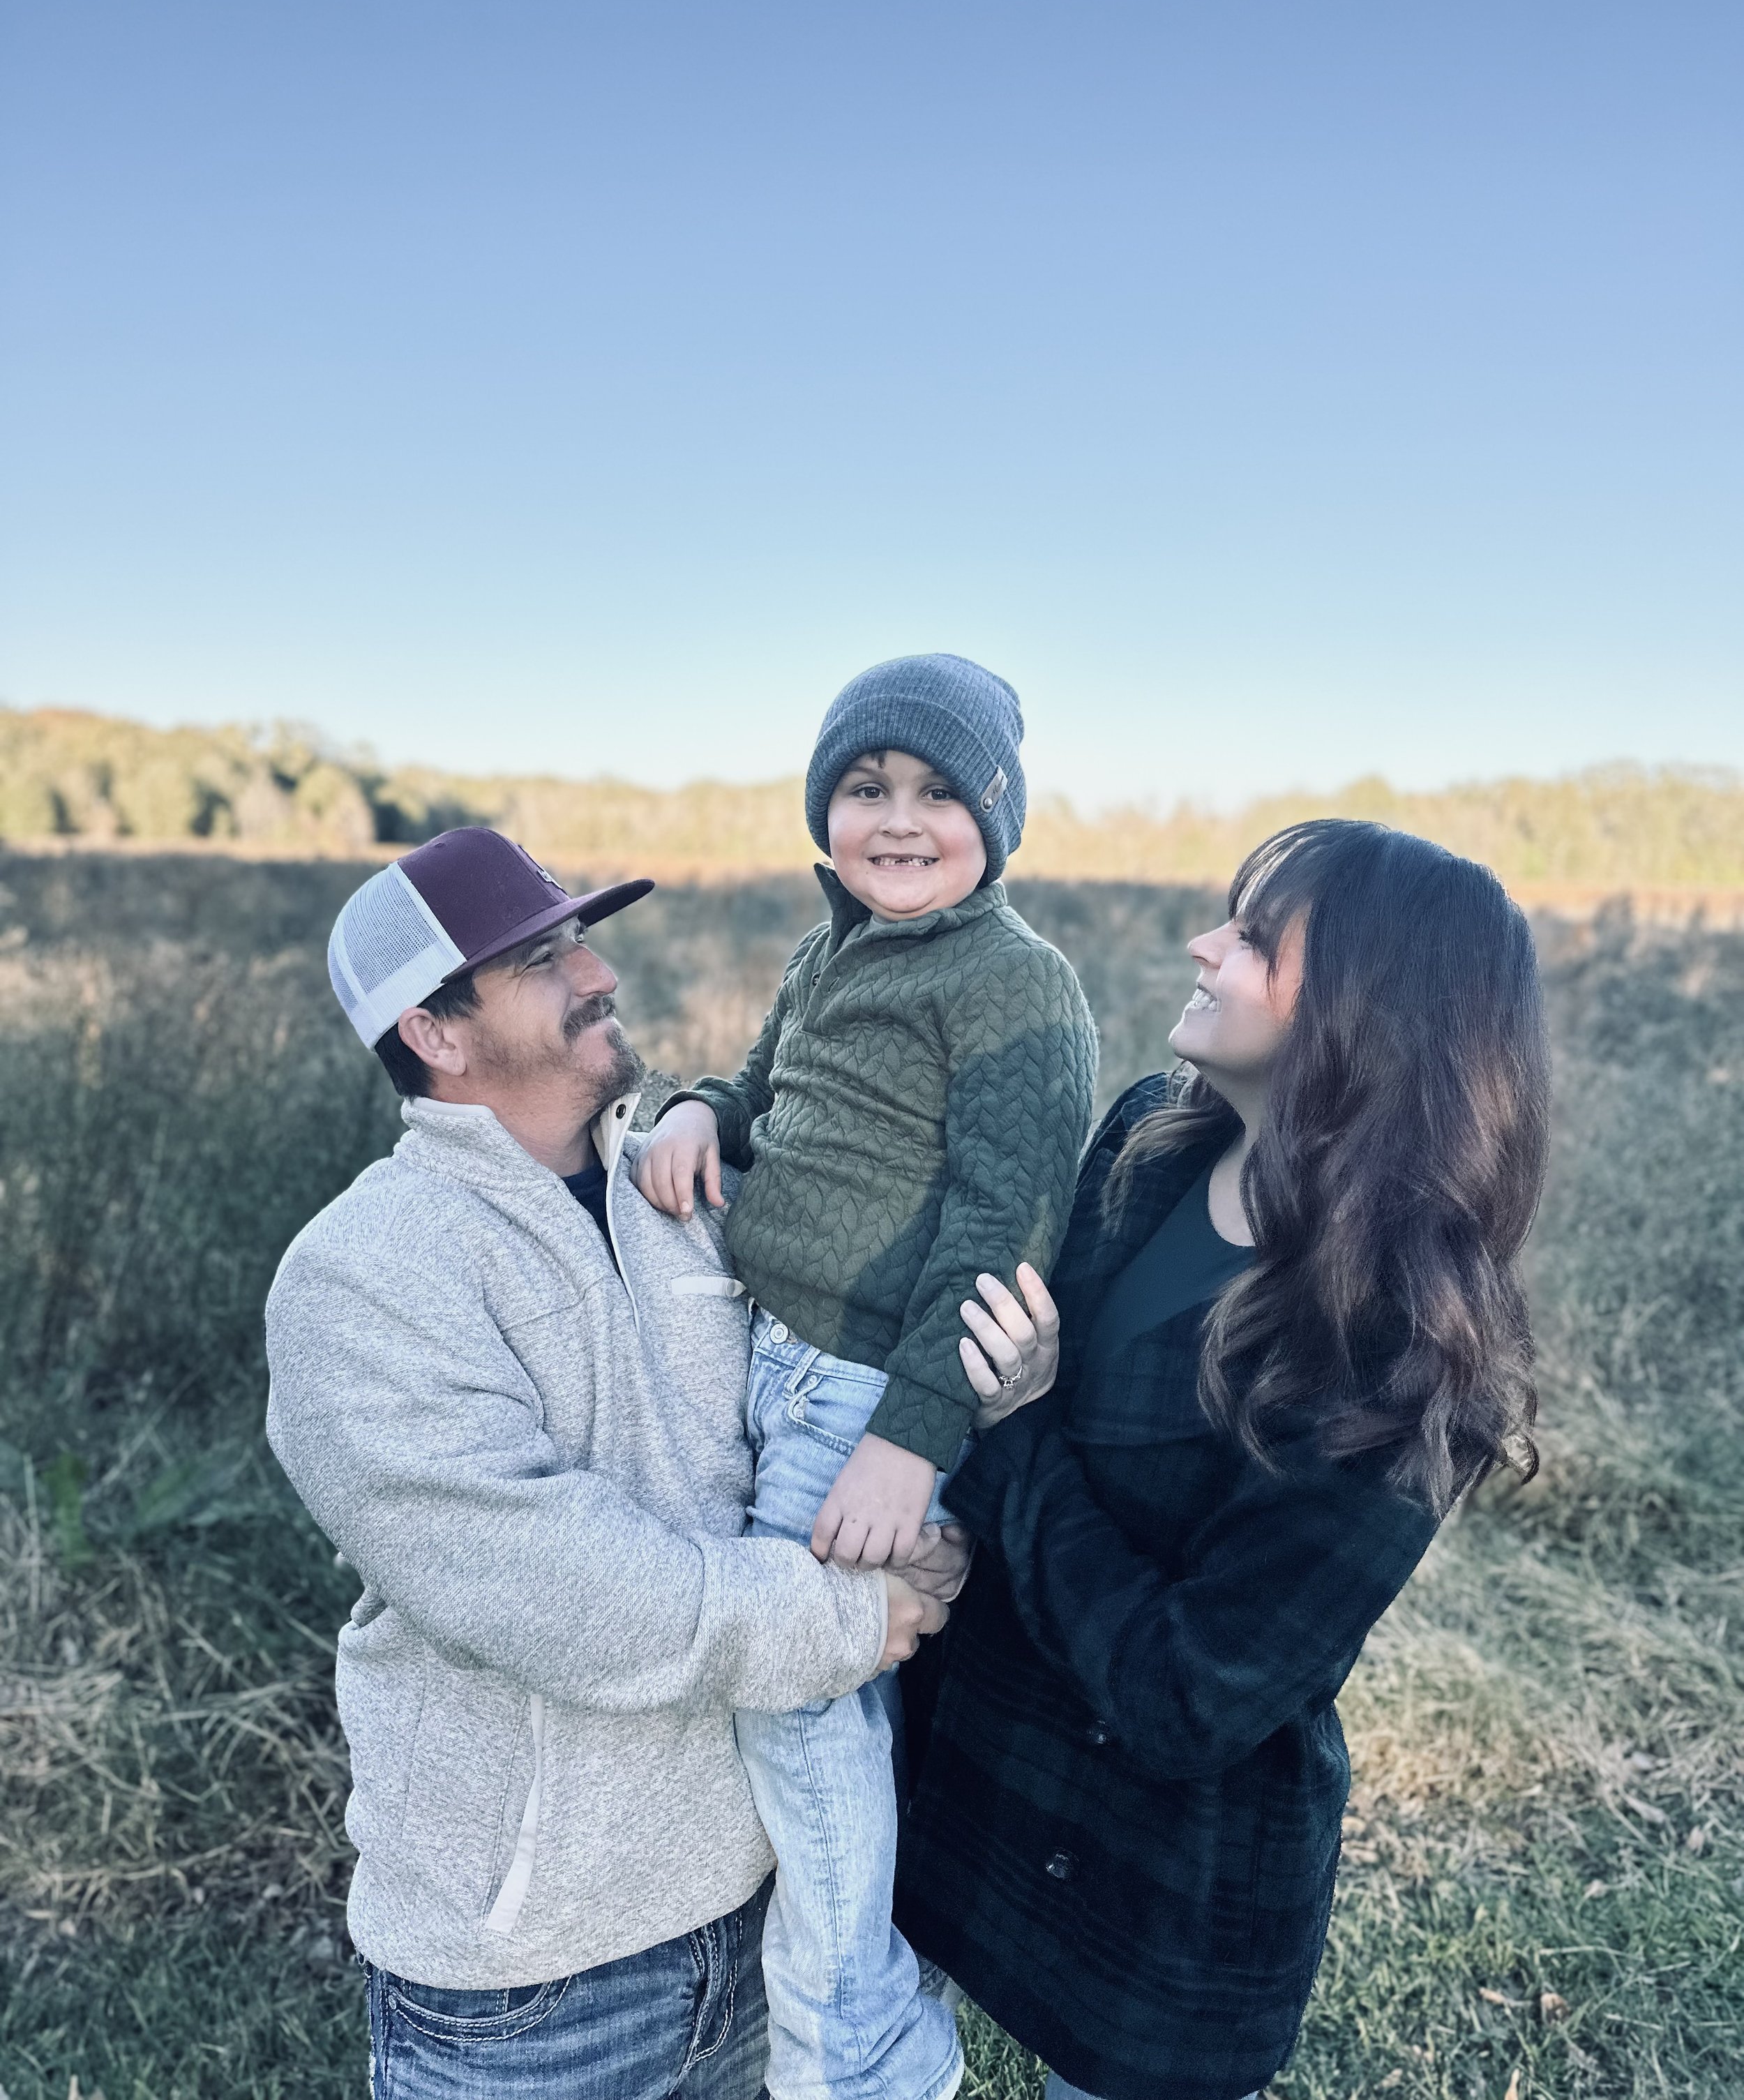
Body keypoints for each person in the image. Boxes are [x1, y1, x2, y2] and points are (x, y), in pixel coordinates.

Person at [264, 826, 959, 2100]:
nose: (600, 975)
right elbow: (559, 1583)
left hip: (766, 1914)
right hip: (535, 1984)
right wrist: (858, 1610)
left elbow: (839, 1379)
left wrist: (969, 1402)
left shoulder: (693, 1188)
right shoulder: (360, 1275)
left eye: (582, 937)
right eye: (542, 957)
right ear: (437, 1032)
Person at [894, 818, 1552, 2100]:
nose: (1203, 946)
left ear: (1372, 1006)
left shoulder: (1405, 1358)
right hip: (968, 1777)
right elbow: (1011, 1382)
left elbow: (1186, 1696)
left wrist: (1017, 1436)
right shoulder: (1150, 1139)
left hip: (1154, 1897)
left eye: (1253, 937)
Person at [636, 654, 1100, 2100]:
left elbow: (999, 1227)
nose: (896, 819)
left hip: (865, 1388)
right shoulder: (824, 953)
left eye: (935, 793)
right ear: (820, 810)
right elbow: (767, 1086)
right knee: (800, 1683)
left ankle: (859, 2050)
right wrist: (704, 1109)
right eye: (862, 786)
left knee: (796, 1695)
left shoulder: (1016, 983)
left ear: (997, 817)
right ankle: (823, 2006)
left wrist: (910, 1436)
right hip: (763, 1360)